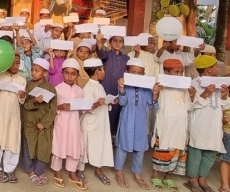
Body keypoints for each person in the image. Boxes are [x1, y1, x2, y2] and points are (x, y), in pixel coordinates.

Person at [114, 58, 160, 189]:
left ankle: (137, 174)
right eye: (133, 72)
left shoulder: (146, 89)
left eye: (140, 73)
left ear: (144, 74)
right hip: (126, 121)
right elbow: (122, 103)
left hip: (141, 122)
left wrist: (155, 94)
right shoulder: (124, 86)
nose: (136, 75)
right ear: (126, 72)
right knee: (123, 146)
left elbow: (152, 107)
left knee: (139, 148)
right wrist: (121, 88)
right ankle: (119, 171)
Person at [186, 55, 230, 192]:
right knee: (196, 153)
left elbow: (223, 106)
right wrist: (204, 94)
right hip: (199, 124)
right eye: (216, 66)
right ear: (209, 70)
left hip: (214, 126)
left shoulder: (219, 84)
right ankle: (192, 179)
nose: (219, 69)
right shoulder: (194, 83)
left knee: (210, 154)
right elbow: (189, 106)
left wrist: (224, 96)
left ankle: (202, 178)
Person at [151, 58, 194, 192]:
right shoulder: (159, 86)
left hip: (181, 124)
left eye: (181, 72)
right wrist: (157, 92)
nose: (179, 74)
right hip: (165, 124)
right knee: (163, 149)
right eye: (176, 71)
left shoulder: (184, 88)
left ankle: (168, 177)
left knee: (177, 150)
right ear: (166, 72)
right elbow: (154, 106)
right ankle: (155, 174)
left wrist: (192, 95)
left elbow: (188, 106)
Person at [0, 53, 27, 183]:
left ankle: (9, 168)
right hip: (0, 112)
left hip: (13, 114)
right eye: (13, 63)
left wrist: (22, 95)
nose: (15, 66)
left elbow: (22, 101)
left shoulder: (22, 79)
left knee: (12, 138)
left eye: (17, 63)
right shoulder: (0, 76)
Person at [51, 58, 86, 190]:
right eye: (67, 73)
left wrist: (91, 105)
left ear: (77, 75)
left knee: (74, 146)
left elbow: (83, 109)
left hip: (74, 124)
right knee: (59, 146)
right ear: (62, 73)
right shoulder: (57, 88)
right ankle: (57, 171)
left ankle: (72, 173)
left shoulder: (79, 90)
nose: (70, 76)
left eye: (73, 74)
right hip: (61, 122)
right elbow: (51, 107)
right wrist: (60, 107)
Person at [21, 58, 57, 187]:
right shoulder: (28, 85)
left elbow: (53, 108)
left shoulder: (51, 88)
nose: (33, 73)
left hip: (44, 125)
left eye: (37, 71)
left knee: (43, 147)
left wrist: (45, 123)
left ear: (45, 73)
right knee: (29, 146)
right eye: (32, 70)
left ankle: (39, 171)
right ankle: (30, 171)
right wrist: (34, 101)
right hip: (30, 122)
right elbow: (24, 104)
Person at [80, 58, 116, 186]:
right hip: (90, 123)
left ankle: (98, 170)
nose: (104, 72)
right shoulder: (88, 87)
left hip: (101, 122)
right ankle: (80, 170)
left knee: (101, 145)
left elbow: (102, 101)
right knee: (84, 146)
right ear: (96, 71)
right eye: (102, 70)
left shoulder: (99, 85)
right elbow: (85, 107)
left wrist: (109, 102)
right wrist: (96, 103)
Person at [96, 31, 129, 135]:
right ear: (110, 43)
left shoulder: (126, 58)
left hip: (120, 88)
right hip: (108, 86)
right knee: (107, 111)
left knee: (119, 112)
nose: (118, 43)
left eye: (120, 41)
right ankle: (105, 136)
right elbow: (100, 53)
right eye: (115, 40)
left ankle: (115, 137)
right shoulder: (107, 55)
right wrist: (99, 42)